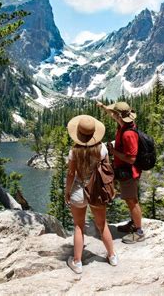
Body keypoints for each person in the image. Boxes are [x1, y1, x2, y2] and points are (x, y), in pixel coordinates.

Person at [64, 114, 118, 274]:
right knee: (102, 224)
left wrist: (67, 191)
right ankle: (112, 256)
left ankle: (77, 262)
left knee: (78, 226)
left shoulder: (74, 151)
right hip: (96, 191)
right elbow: (107, 169)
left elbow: (71, 174)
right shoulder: (102, 149)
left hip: (79, 191)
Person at [97, 101, 145, 244]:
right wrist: (103, 107)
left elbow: (131, 159)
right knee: (130, 199)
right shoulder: (124, 124)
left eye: (115, 113)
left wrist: (113, 152)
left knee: (132, 201)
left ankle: (139, 231)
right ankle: (133, 223)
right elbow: (113, 115)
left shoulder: (128, 134)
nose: (114, 116)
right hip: (124, 171)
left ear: (120, 116)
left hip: (130, 172)